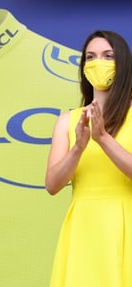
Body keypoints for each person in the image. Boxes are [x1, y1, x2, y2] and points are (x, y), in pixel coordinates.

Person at [45, 30, 132, 286]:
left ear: (123, 63)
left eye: (108, 56)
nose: (98, 62)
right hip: (83, 227)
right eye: (90, 57)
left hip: (126, 221)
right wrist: (78, 148)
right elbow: (52, 184)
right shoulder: (68, 121)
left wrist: (103, 138)